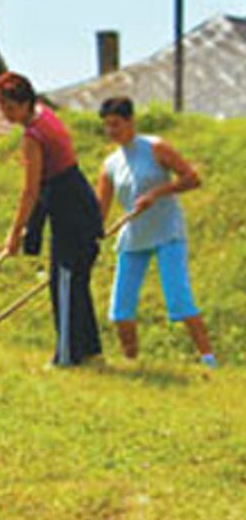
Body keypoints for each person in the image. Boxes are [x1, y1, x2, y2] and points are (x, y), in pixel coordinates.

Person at [0, 72, 105, 368]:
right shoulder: (44, 113)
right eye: (1, 106)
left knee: (64, 283)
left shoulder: (33, 137)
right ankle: (89, 351)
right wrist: (32, 231)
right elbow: (44, 185)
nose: (4, 112)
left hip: (70, 210)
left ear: (25, 102)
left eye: (9, 106)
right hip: (78, 201)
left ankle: (66, 357)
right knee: (76, 283)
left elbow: (30, 190)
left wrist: (14, 233)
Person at [95, 97, 217, 368]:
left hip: (167, 233)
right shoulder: (111, 164)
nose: (112, 131)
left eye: (116, 124)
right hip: (133, 237)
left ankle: (209, 360)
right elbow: (99, 209)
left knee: (179, 300)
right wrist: (91, 235)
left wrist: (157, 193)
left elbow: (192, 179)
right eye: (107, 126)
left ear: (130, 121)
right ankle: (133, 362)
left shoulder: (155, 148)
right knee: (120, 310)